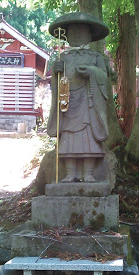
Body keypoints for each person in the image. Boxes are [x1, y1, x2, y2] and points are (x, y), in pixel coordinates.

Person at [47, 12, 109, 183]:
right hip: (68, 102)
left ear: (89, 35)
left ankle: (88, 173)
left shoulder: (96, 57)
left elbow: (104, 77)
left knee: (89, 137)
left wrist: (92, 72)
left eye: (81, 32)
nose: (76, 35)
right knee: (68, 137)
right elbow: (55, 83)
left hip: (88, 102)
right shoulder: (63, 57)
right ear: (66, 36)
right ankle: (70, 173)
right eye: (72, 32)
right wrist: (56, 73)